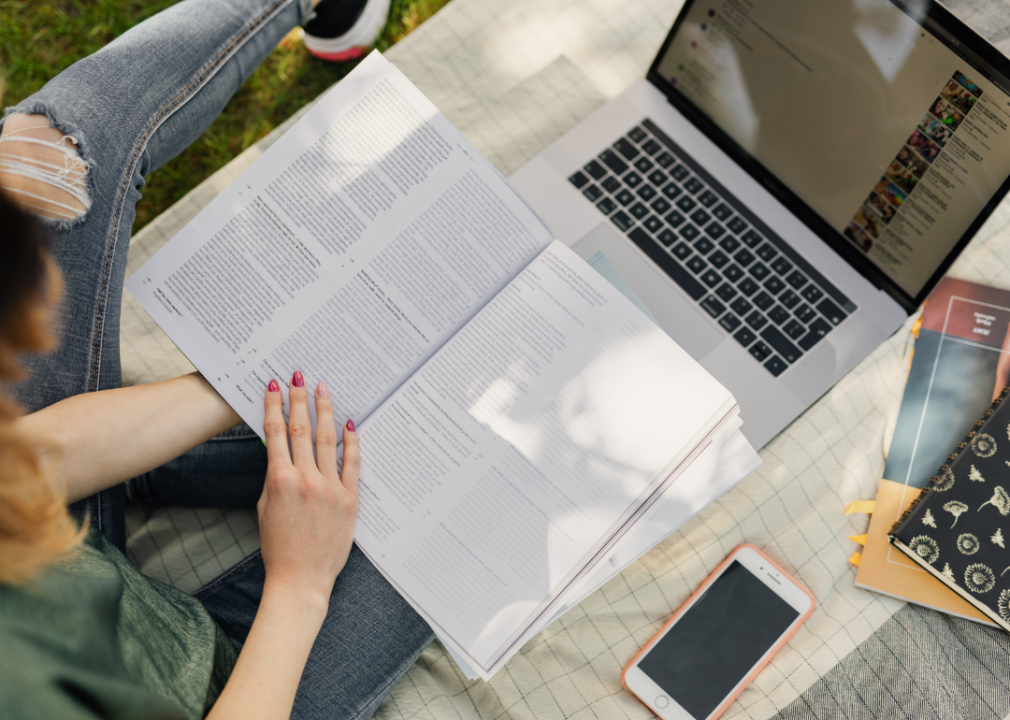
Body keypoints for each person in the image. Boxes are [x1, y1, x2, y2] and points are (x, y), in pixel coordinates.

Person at [0, 0, 433, 718]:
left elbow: (21, 462)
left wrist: (238, 383)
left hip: (64, 564)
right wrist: (301, 584)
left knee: (41, 160)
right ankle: (165, 475)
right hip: (235, 693)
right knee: (447, 473)